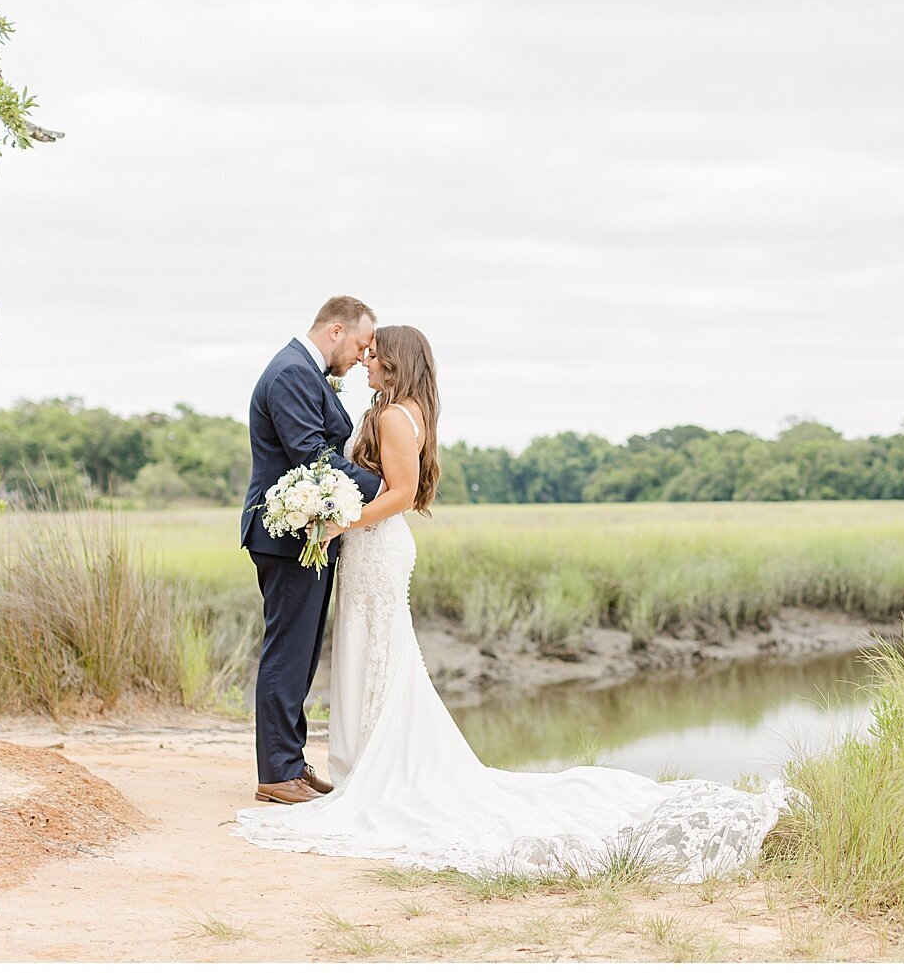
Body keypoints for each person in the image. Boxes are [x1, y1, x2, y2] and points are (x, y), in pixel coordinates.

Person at [235, 324, 793, 882]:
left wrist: (341, 520)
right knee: (368, 651)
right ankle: (364, 764)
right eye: (366, 352)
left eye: (375, 356)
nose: (367, 363)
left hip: (376, 546)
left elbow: (400, 494)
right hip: (369, 547)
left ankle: (378, 769)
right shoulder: (402, 411)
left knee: (377, 650)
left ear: (397, 363)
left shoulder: (391, 416)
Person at [240, 296, 383, 804]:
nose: (363, 356)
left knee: (299, 655)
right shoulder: (293, 373)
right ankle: (277, 773)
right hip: (287, 536)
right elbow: (312, 457)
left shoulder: (303, 370)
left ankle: (291, 764)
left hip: (305, 534)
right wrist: (383, 487)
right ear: (337, 330)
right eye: (363, 344)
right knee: (288, 651)